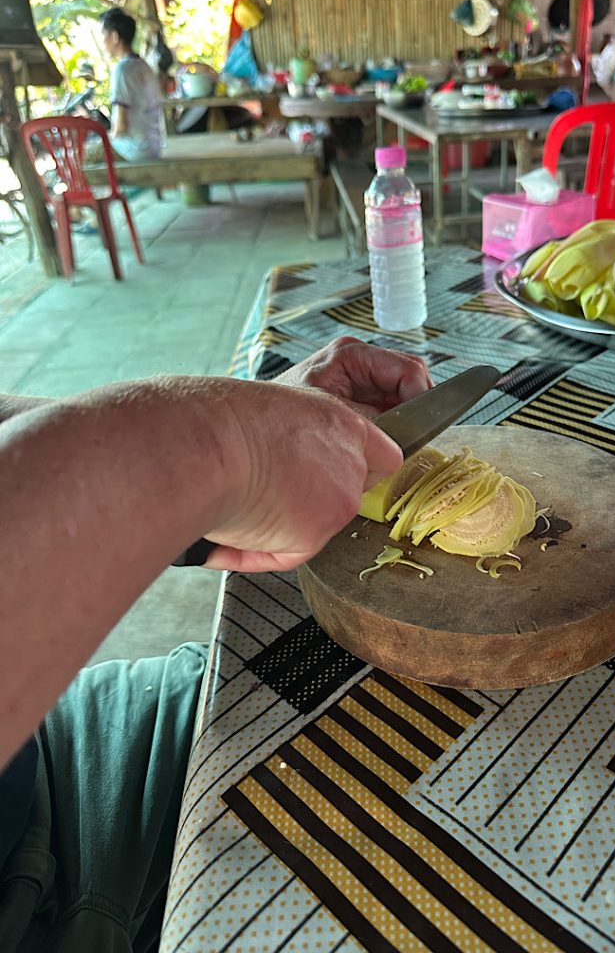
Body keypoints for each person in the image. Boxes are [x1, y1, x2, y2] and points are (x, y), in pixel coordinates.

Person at [0, 337, 432, 952]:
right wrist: (214, 446)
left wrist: (231, 434)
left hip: (42, 747)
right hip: (34, 910)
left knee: (311, 686)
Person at [100, 7, 164, 161]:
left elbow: (120, 126)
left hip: (133, 150)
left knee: (82, 156)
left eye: (104, 36)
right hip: (154, 147)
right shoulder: (143, 65)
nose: (103, 43)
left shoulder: (122, 70)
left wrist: (108, 139)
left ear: (114, 37)